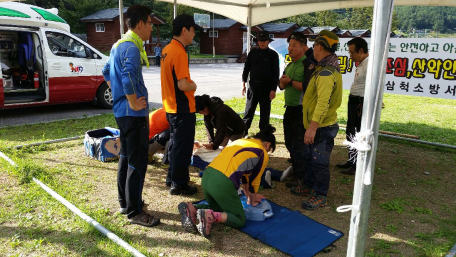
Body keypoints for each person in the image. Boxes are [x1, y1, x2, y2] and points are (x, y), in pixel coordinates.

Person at [102, 5, 160, 227]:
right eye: (150, 24)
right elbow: (126, 76)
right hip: (132, 114)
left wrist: (118, 94)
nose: (151, 29)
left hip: (121, 113)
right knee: (137, 162)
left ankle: (125, 203)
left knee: (126, 157)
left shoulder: (119, 44)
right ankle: (135, 212)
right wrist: (133, 100)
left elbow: (106, 71)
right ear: (140, 24)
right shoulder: (133, 48)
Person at [177, 125, 276, 237]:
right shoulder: (262, 152)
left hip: (207, 176)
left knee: (222, 209)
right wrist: (251, 200)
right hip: (222, 182)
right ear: (267, 144)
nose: (268, 152)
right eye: (269, 149)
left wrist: (249, 196)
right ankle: (210, 216)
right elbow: (254, 181)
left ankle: (193, 208)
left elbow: (245, 178)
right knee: (239, 219)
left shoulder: (240, 141)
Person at [297, 30, 342, 210]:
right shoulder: (323, 68)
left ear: (320, 47)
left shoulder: (326, 73)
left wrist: (312, 128)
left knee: (319, 161)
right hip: (317, 125)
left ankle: (321, 194)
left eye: (314, 45)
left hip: (322, 126)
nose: (313, 48)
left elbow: (323, 103)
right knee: (310, 157)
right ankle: (309, 186)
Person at [161, 14, 199, 195]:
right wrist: (195, 85)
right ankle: (179, 183)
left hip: (171, 106)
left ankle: (172, 178)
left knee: (176, 144)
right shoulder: (179, 52)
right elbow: (183, 84)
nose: (194, 35)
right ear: (184, 30)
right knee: (183, 147)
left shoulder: (167, 49)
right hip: (182, 107)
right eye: (193, 30)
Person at [278, 33, 316, 189]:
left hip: (301, 110)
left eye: (294, 45)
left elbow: (308, 88)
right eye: (289, 45)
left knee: (299, 144)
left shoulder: (308, 64)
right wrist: (282, 82)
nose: (290, 48)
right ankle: (296, 170)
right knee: (289, 142)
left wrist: (291, 82)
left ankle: (301, 177)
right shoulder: (290, 64)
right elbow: (281, 86)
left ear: (303, 47)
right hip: (289, 109)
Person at [336, 37, 369, 175]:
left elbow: (374, 86)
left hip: (361, 102)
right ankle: (352, 160)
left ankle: (357, 165)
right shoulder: (361, 63)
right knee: (351, 131)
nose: (350, 55)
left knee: (356, 132)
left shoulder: (369, 64)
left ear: (361, 50)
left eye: (352, 52)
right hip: (355, 100)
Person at [241, 31, 279, 136]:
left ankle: (264, 134)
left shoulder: (273, 55)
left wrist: (273, 89)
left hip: (266, 87)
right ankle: (243, 132)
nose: (262, 43)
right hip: (253, 86)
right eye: (260, 41)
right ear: (257, 41)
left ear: (268, 41)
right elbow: (246, 69)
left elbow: (276, 73)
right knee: (248, 111)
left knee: (265, 113)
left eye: (264, 41)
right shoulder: (252, 53)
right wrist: (243, 83)